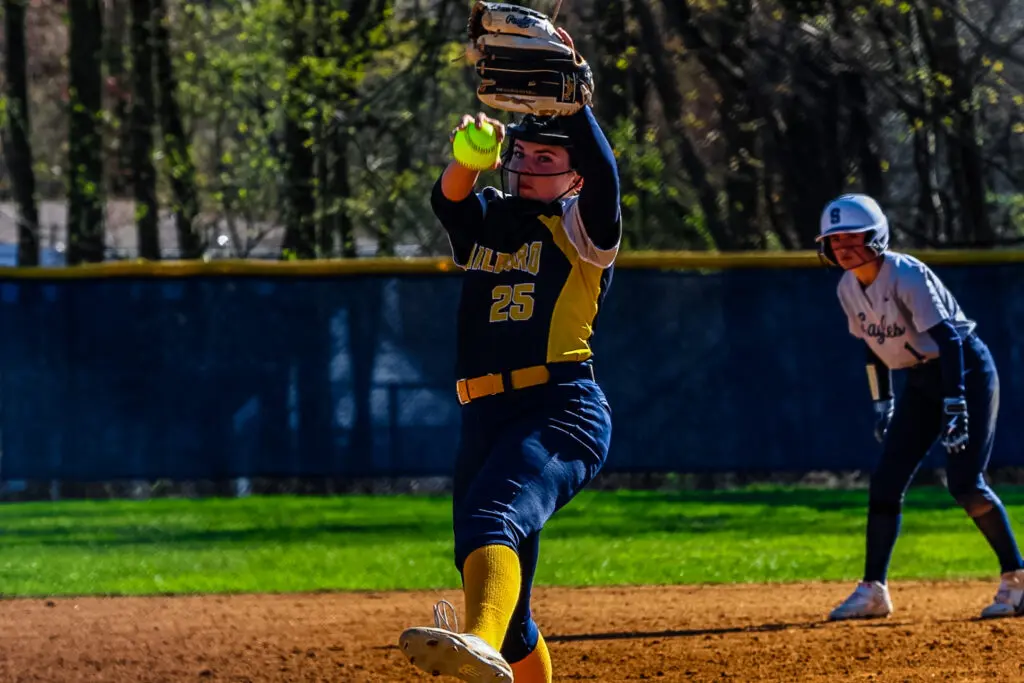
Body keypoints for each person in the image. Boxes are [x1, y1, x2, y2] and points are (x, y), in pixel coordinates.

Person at [396, 28, 622, 683]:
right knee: (509, 602)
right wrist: (469, 157)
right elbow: (451, 199)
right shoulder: (494, 218)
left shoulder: (582, 226)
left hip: (559, 409)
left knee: (489, 517)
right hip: (485, 417)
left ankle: (478, 644)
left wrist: (575, 104)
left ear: (574, 175)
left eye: (546, 158)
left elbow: (606, 173)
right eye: (520, 152)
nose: (527, 163)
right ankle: (497, 642)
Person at [818, 193, 1024, 621]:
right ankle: (873, 590)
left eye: (852, 238)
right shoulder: (846, 287)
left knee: (965, 485)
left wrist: (955, 403)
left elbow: (949, 341)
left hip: (964, 369)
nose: (843, 248)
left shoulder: (904, 273)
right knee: (886, 481)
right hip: (919, 379)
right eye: (835, 241)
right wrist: (882, 402)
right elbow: (872, 348)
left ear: (876, 237)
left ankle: (1017, 580)